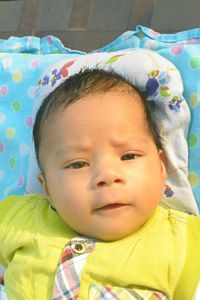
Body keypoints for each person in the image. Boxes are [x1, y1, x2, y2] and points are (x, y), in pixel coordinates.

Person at [0, 69, 200, 300]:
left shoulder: (185, 242)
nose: (107, 175)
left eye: (129, 156)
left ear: (161, 167)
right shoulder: (17, 219)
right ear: (47, 189)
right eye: (77, 164)